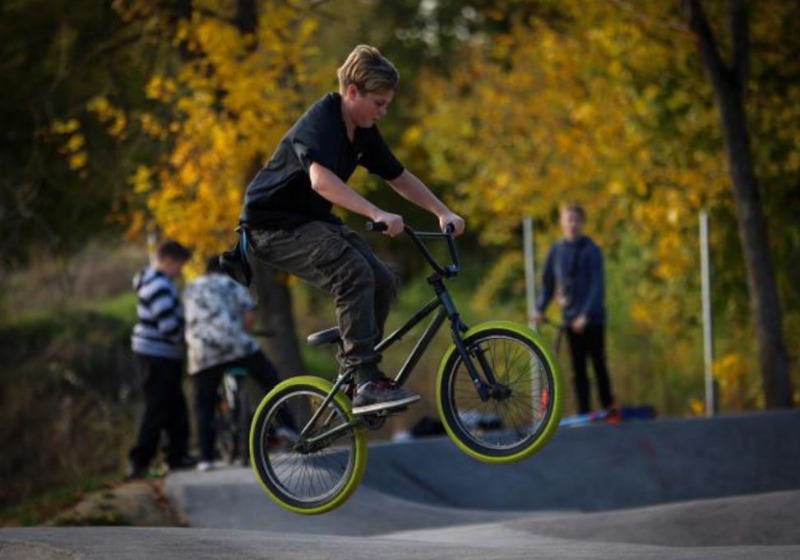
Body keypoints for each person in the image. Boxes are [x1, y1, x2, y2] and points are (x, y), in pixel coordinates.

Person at [239, 44, 465, 415]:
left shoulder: (362, 131)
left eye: (387, 104)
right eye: (378, 102)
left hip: (310, 221)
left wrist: (442, 211)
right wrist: (375, 211)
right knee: (352, 272)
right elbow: (320, 181)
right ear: (353, 92)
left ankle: (355, 373)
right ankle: (365, 378)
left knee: (383, 279)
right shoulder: (322, 121)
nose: (383, 111)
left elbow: (399, 176)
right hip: (271, 226)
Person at [184, 256, 295, 471]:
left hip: (203, 352)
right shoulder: (230, 282)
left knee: (204, 404)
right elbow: (250, 315)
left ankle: (206, 458)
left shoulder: (191, 287)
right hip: (236, 346)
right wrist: (240, 331)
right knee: (271, 381)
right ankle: (289, 427)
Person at [533, 203, 616, 415]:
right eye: (568, 219)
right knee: (577, 369)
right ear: (561, 222)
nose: (572, 224)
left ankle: (609, 406)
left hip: (593, 320)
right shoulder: (557, 251)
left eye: (576, 220)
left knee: (598, 364)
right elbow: (548, 284)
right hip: (570, 321)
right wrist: (540, 308)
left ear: (582, 223)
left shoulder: (592, 250)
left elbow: (598, 287)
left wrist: (585, 316)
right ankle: (584, 411)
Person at [127, 240, 196, 479]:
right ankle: (140, 460)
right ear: (167, 260)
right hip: (156, 355)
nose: (180, 271)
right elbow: (168, 326)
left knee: (175, 405)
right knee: (156, 408)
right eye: (179, 265)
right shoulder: (158, 286)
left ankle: (176, 455)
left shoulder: (160, 282)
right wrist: (189, 337)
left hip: (163, 354)